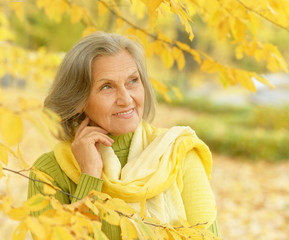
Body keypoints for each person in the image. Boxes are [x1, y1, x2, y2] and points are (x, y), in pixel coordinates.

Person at [27, 32, 219, 239]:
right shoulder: (49, 173)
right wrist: (90, 176)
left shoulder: (178, 153)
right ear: (78, 99)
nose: (126, 99)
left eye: (132, 81)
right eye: (106, 86)